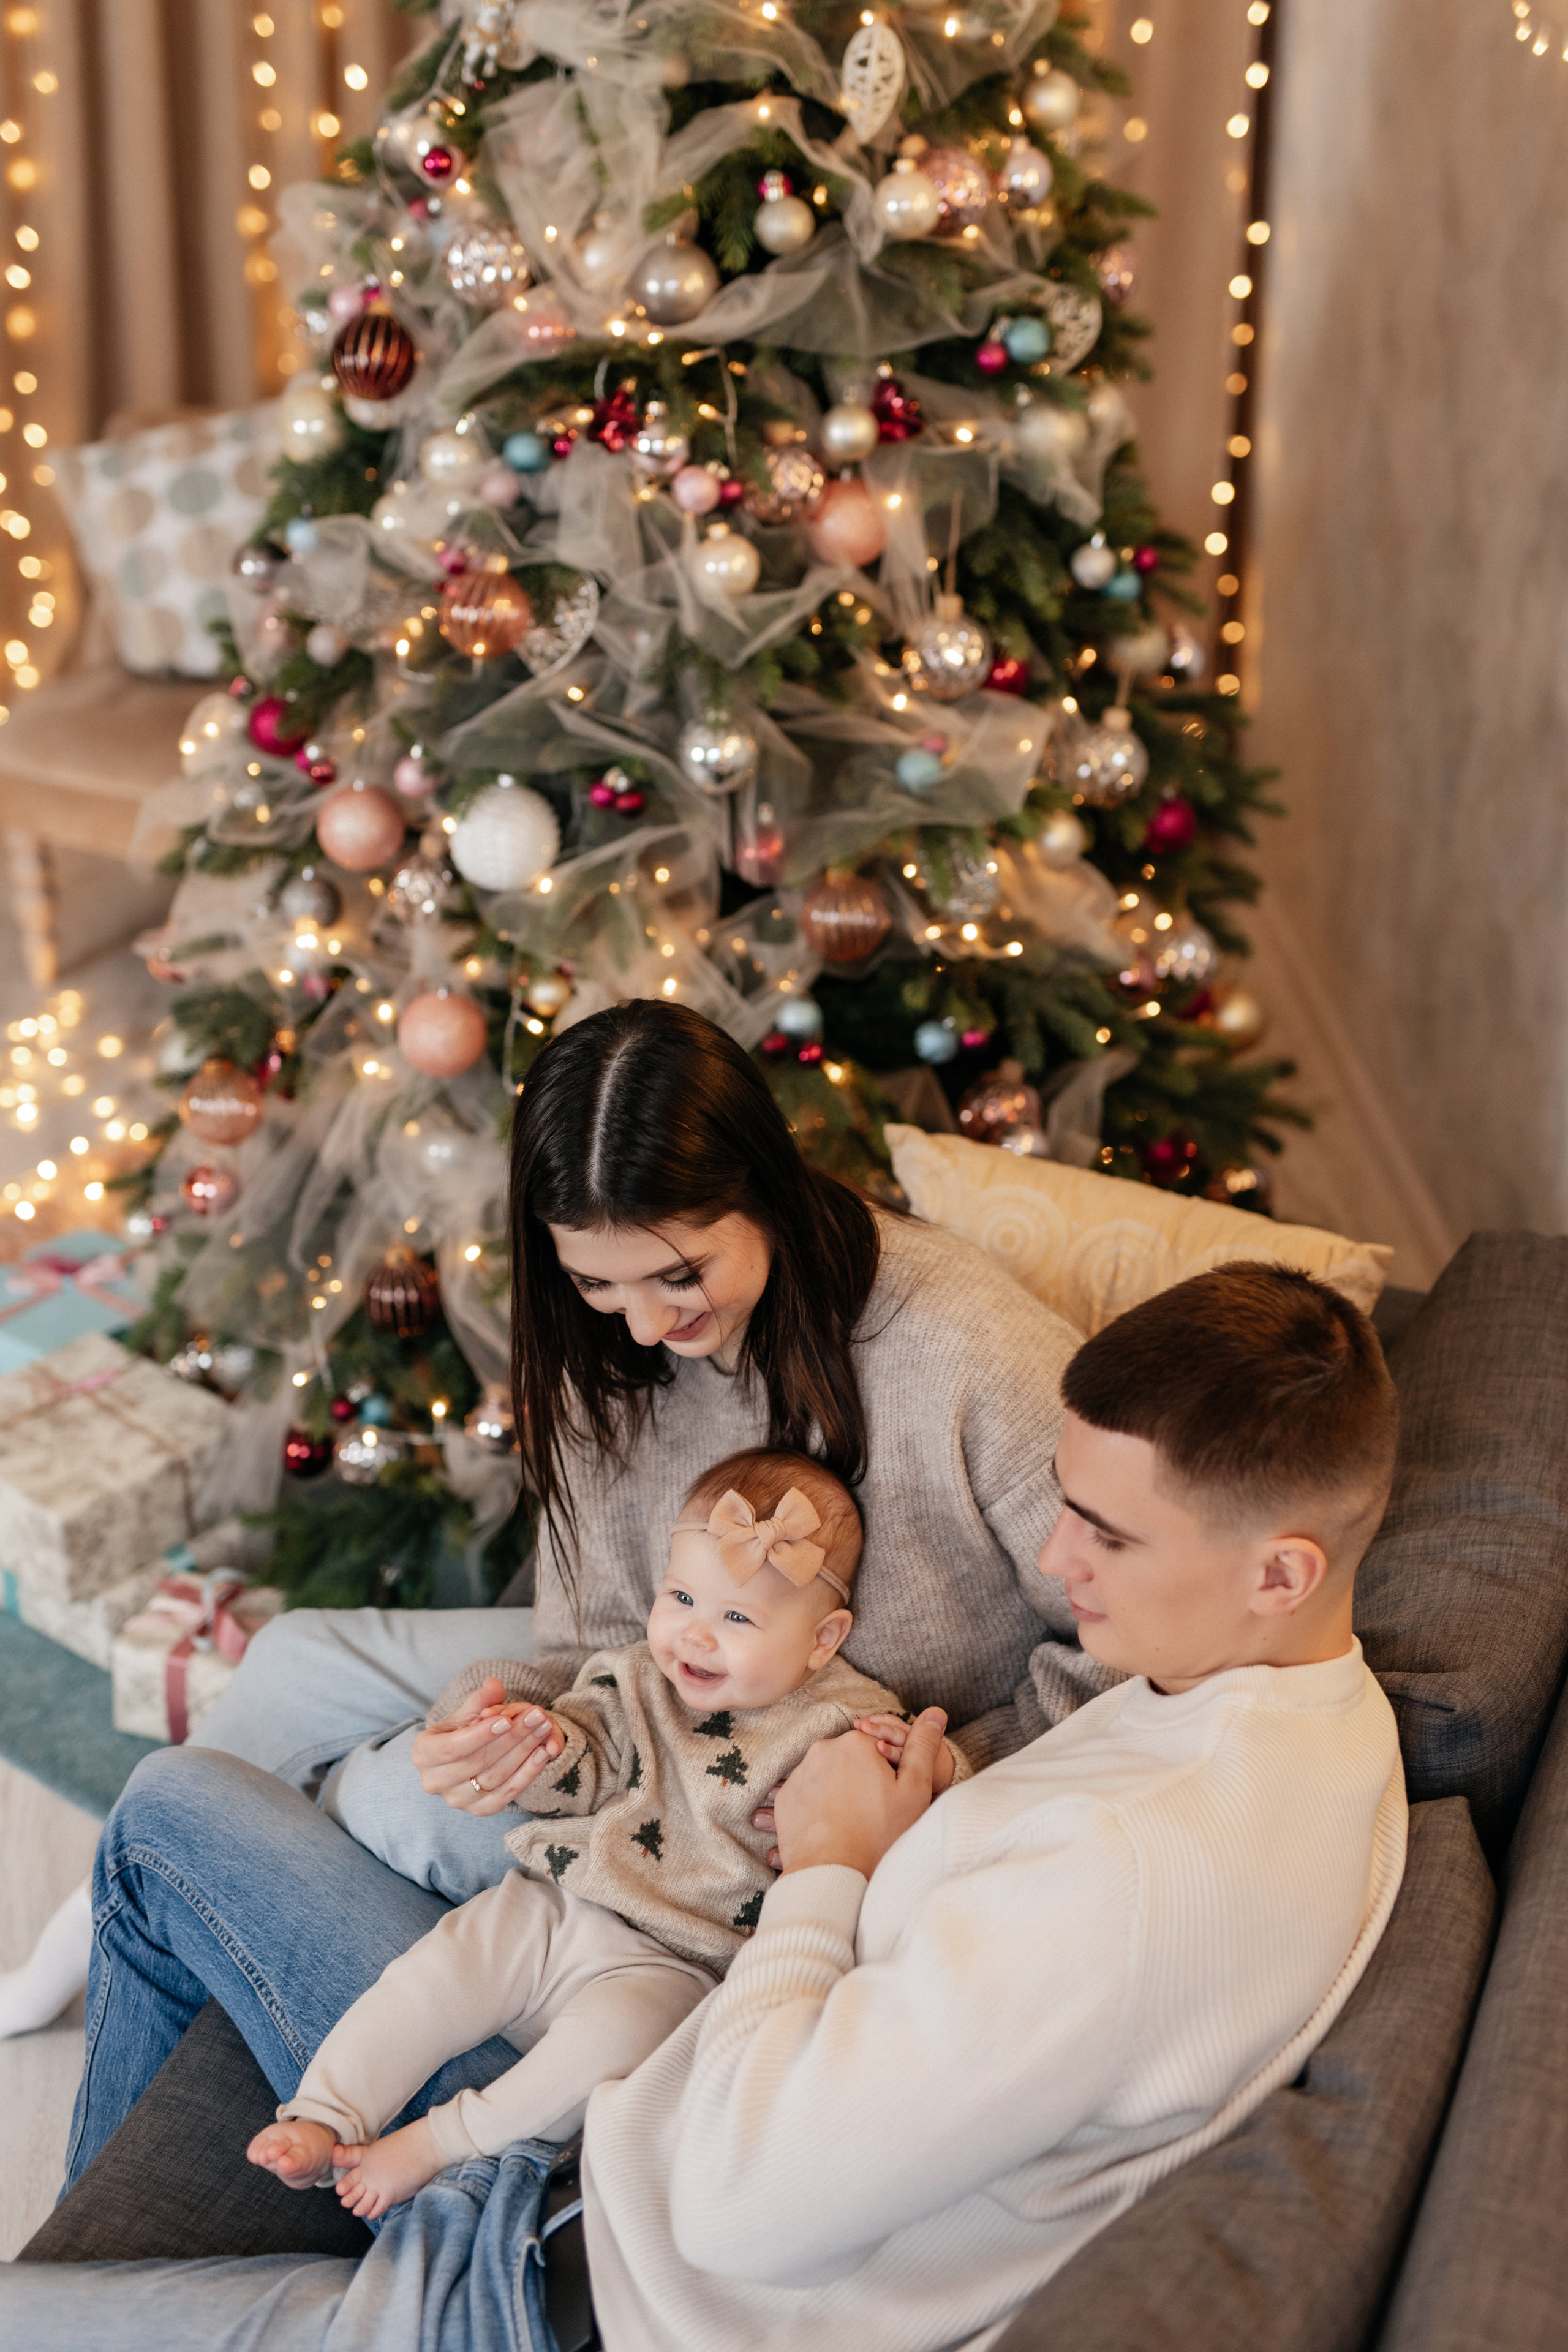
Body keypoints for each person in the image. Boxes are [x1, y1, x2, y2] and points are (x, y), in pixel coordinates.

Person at [1, 1262, 1407, 2352]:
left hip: (575, 2273)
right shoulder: (1308, 1722)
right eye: (1068, 1500)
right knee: (188, 1794)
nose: (1053, 1556)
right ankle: (130, 2237)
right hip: (622, 2136)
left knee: (162, 1832)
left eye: (1105, 1530)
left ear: (1277, 1568)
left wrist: (830, 1869)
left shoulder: (1137, 1867)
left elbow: (735, 2205)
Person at [1, 1000, 1094, 2039]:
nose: (652, 1323)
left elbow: (1126, 1643)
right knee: (294, 1658)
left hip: (828, 1762)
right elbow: (592, 1641)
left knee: (393, 1803)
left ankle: (319, 1950)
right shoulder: (600, 1349)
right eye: (601, 1284)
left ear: (766, 1189)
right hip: (676, 1689)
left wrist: (931, 1779)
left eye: (681, 1273)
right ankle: (87, 1938)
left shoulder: (963, 1345)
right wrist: (519, 1725)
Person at [249, 1446, 957, 2222]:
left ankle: (441, 2143)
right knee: (435, 1975)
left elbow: (921, 1778)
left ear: (824, 1640)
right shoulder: (635, 1679)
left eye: (737, 1618)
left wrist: (933, 1765)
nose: (693, 1636)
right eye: (681, 1596)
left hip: (679, 1965)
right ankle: (327, 2112)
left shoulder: (845, 1718)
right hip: (559, 1906)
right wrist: (536, 1743)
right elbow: (581, 1763)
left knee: (606, 2058)